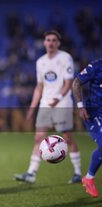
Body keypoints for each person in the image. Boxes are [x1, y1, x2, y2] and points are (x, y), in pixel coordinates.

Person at [14, 30, 82, 184]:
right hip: (45, 103)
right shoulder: (40, 62)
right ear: (44, 42)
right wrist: (32, 107)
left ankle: (78, 172)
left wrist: (57, 99)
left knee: (68, 138)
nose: (50, 43)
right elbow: (39, 87)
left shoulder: (65, 58)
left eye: (53, 40)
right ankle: (31, 173)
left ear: (58, 43)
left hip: (62, 103)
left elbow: (68, 83)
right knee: (38, 137)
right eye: (48, 40)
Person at [72, 59, 102, 198]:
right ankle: (89, 178)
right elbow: (76, 82)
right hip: (94, 112)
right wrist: (80, 106)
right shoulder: (96, 66)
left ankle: (88, 178)